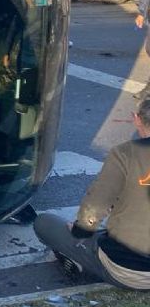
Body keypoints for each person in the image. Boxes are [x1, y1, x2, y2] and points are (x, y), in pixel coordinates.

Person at [33, 97, 150, 290]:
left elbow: (96, 205)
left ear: (136, 119)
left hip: (129, 271)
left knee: (44, 223)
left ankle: (78, 259)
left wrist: (80, 230)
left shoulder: (125, 154)